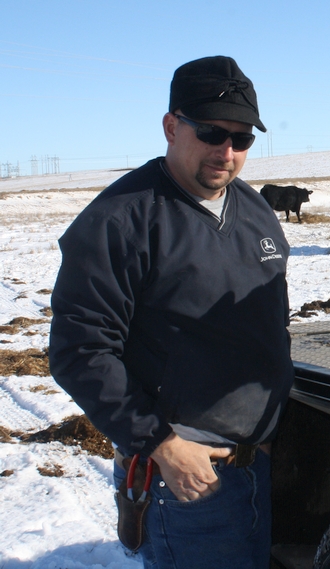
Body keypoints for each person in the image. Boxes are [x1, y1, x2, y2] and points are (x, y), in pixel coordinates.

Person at [49, 56, 294, 568]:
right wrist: (161, 444)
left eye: (242, 139)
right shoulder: (120, 221)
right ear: (171, 126)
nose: (226, 151)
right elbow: (80, 352)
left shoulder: (255, 211)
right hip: (183, 481)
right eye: (210, 132)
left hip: (255, 467)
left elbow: (270, 324)